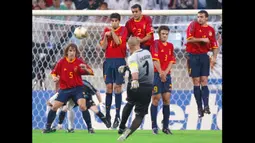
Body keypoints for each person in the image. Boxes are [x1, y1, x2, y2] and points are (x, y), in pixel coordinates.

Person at [42, 43, 94, 133]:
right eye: (70, 50)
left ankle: (90, 128)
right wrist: (54, 77)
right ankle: (48, 127)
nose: (72, 53)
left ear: (76, 52)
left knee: (83, 106)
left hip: (77, 89)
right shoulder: (61, 62)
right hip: (65, 90)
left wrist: (85, 68)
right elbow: (54, 72)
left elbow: (91, 72)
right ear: (66, 52)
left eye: (74, 51)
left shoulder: (79, 62)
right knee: (54, 107)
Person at [117, 37, 154, 141]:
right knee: (140, 115)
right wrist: (126, 67)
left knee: (130, 102)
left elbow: (135, 69)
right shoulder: (147, 53)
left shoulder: (132, 57)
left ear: (129, 47)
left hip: (135, 84)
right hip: (147, 87)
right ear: (139, 44)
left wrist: (135, 79)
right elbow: (143, 65)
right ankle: (127, 133)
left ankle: (121, 126)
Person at [186, 10, 218, 118]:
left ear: (206, 18)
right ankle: (199, 108)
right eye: (198, 16)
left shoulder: (210, 30)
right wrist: (202, 40)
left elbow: (214, 45)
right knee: (196, 81)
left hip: (204, 56)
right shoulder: (193, 25)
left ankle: (207, 106)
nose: (199, 18)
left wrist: (214, 57)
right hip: (193, 56)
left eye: (201, 17)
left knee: (204, 81)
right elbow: (189, 39)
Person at [46, 80, 111, 133]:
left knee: (95, 110)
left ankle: (104, 122)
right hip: (73, 99)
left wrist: (100, 102)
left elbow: (96, 92)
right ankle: (63, 126)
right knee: (64, 108)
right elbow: (59, 93)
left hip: (86, 98)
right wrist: (51, 99)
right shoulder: (68, 84)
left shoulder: (85, 84)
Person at [100, 13, 128, 128]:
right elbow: (103, 47)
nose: (114, 23)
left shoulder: (123, 30)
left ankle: (117, 115)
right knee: (108, 87)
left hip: (119, 61)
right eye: (112, 21)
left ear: (119, 21)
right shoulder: (106, 30)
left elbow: (118, 42)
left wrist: (112, 32)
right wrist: (106, 36)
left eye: (116, 21)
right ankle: (107, 115)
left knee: (117, 87)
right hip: (108, 61)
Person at [150, 26, 176, 135]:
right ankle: (154, 126)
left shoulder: (170, 46)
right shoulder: (155, 44)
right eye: (163, 33)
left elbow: (171, 61)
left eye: (166, 34)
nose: (164, 35)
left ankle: (165, 126)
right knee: (156, 98)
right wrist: (161, 72)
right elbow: (155, 60)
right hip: (156, 74)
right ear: (159, 34)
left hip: (167, 75)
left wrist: (165, 73)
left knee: (167, 99)